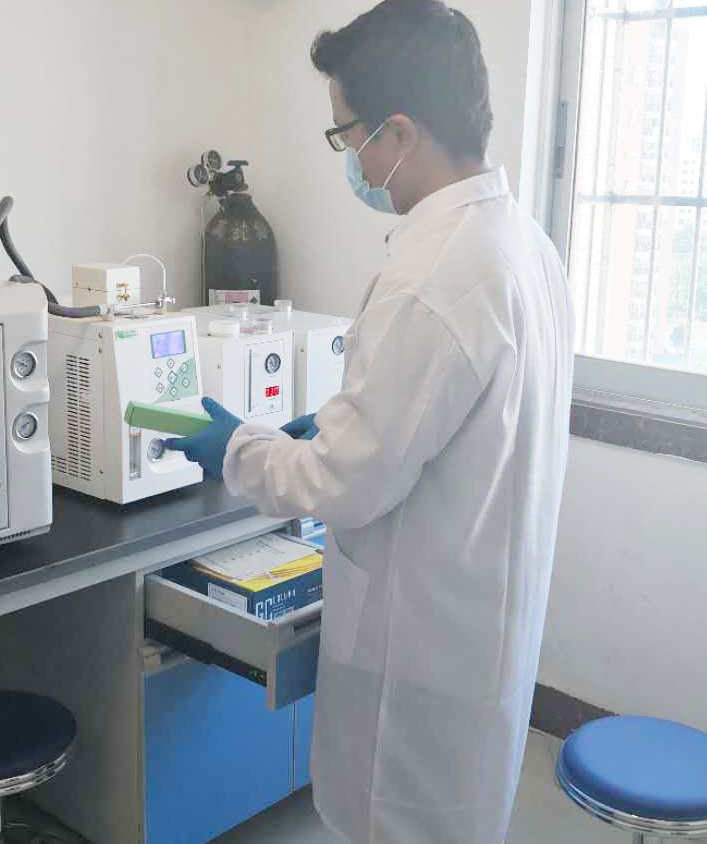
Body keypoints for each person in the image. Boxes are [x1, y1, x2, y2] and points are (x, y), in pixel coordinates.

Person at [167, 2, 575, 843]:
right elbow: (453, 421)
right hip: (481, 636)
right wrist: (341, 421)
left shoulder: (433, 276)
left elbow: (340, 488)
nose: (349, 158)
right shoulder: (522, 244)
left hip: (417, 663)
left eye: (345, 134)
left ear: (399, 132)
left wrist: (237, 447)